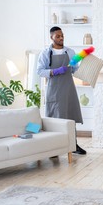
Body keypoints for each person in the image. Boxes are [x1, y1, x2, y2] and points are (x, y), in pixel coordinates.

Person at [37, 26, 86, 155]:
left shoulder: (70, 52)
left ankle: (73, 145)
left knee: (71, 116)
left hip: (69, 89)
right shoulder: (46, 53)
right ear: (51, 37)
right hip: (54, 90)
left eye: (62, 35)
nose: (61, 38)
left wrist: (80, 65)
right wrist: (55, 71)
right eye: (58, 36)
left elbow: (75, 69)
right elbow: (40, 71)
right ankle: (54, 148)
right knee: (55, 118)